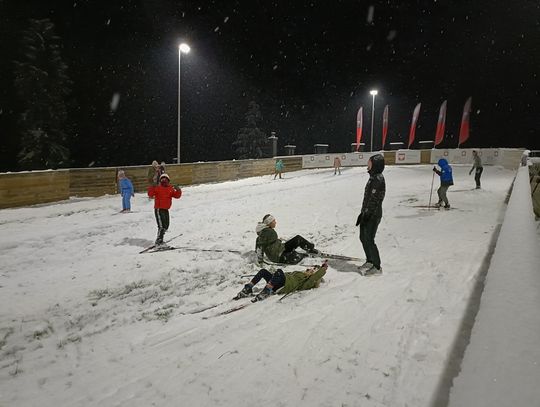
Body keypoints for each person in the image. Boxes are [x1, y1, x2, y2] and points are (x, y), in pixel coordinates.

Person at [235, 261, 328, 302]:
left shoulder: (307, 282)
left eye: (312, 271)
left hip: (283, 285)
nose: (309, 269)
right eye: (310, 269)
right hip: (278, 281)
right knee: (263, 271)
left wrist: (323, 269)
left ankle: (266, 291)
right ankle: (247, 288)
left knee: (279, 272)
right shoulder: (299, 273)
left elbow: (316, 277)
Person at [356, 154, 385, 276]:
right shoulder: (373, 177)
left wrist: (367, 214)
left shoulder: (378, 179)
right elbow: (368, 199)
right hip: (367, 212)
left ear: (375, 164)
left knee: (369, 239)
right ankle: (370, 260)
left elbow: (374, 200)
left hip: (373, 215)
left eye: (370, 162)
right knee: (363, 237)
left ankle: (377, 267)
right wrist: (362, 213)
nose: (368, 164)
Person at [147, 174, 182, 245]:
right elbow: (150, 194)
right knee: (161, 226)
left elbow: (177, 196)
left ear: (168, 181)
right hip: (159, 209)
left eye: (166, 180)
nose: (164, 181)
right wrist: (152, 186)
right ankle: (159, 240)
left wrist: (178, 190)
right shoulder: (157, 188)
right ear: (160, 181)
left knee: (166, 226)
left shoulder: (170, 188)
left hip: (166, 209)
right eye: (162, 180)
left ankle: (161, 238)